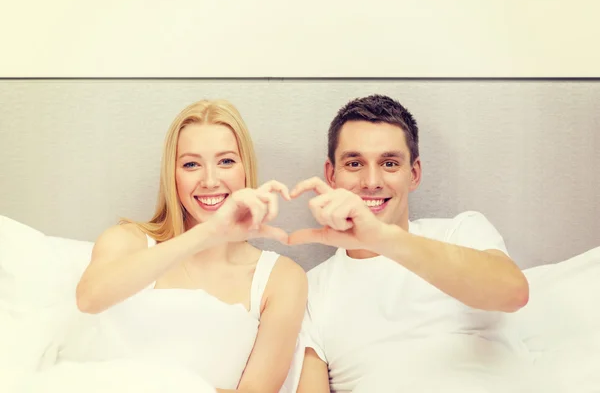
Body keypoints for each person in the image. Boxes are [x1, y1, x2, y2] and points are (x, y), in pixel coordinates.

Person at [290, 94, 531, 392]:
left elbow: (513, 292)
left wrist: (381, 238)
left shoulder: (461, 232)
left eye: (389, 163)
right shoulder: (310, 291)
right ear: (331, 175)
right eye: (354, 163)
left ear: (414, 173)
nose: (371, 181)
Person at [71, 99, 308, 393]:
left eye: (226, 161)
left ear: (246, 169)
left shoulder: (281, 278)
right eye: (191, 164)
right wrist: (209, 233)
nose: (209, 180)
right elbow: (89, 299)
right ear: (173, 174)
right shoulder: (128, 241)